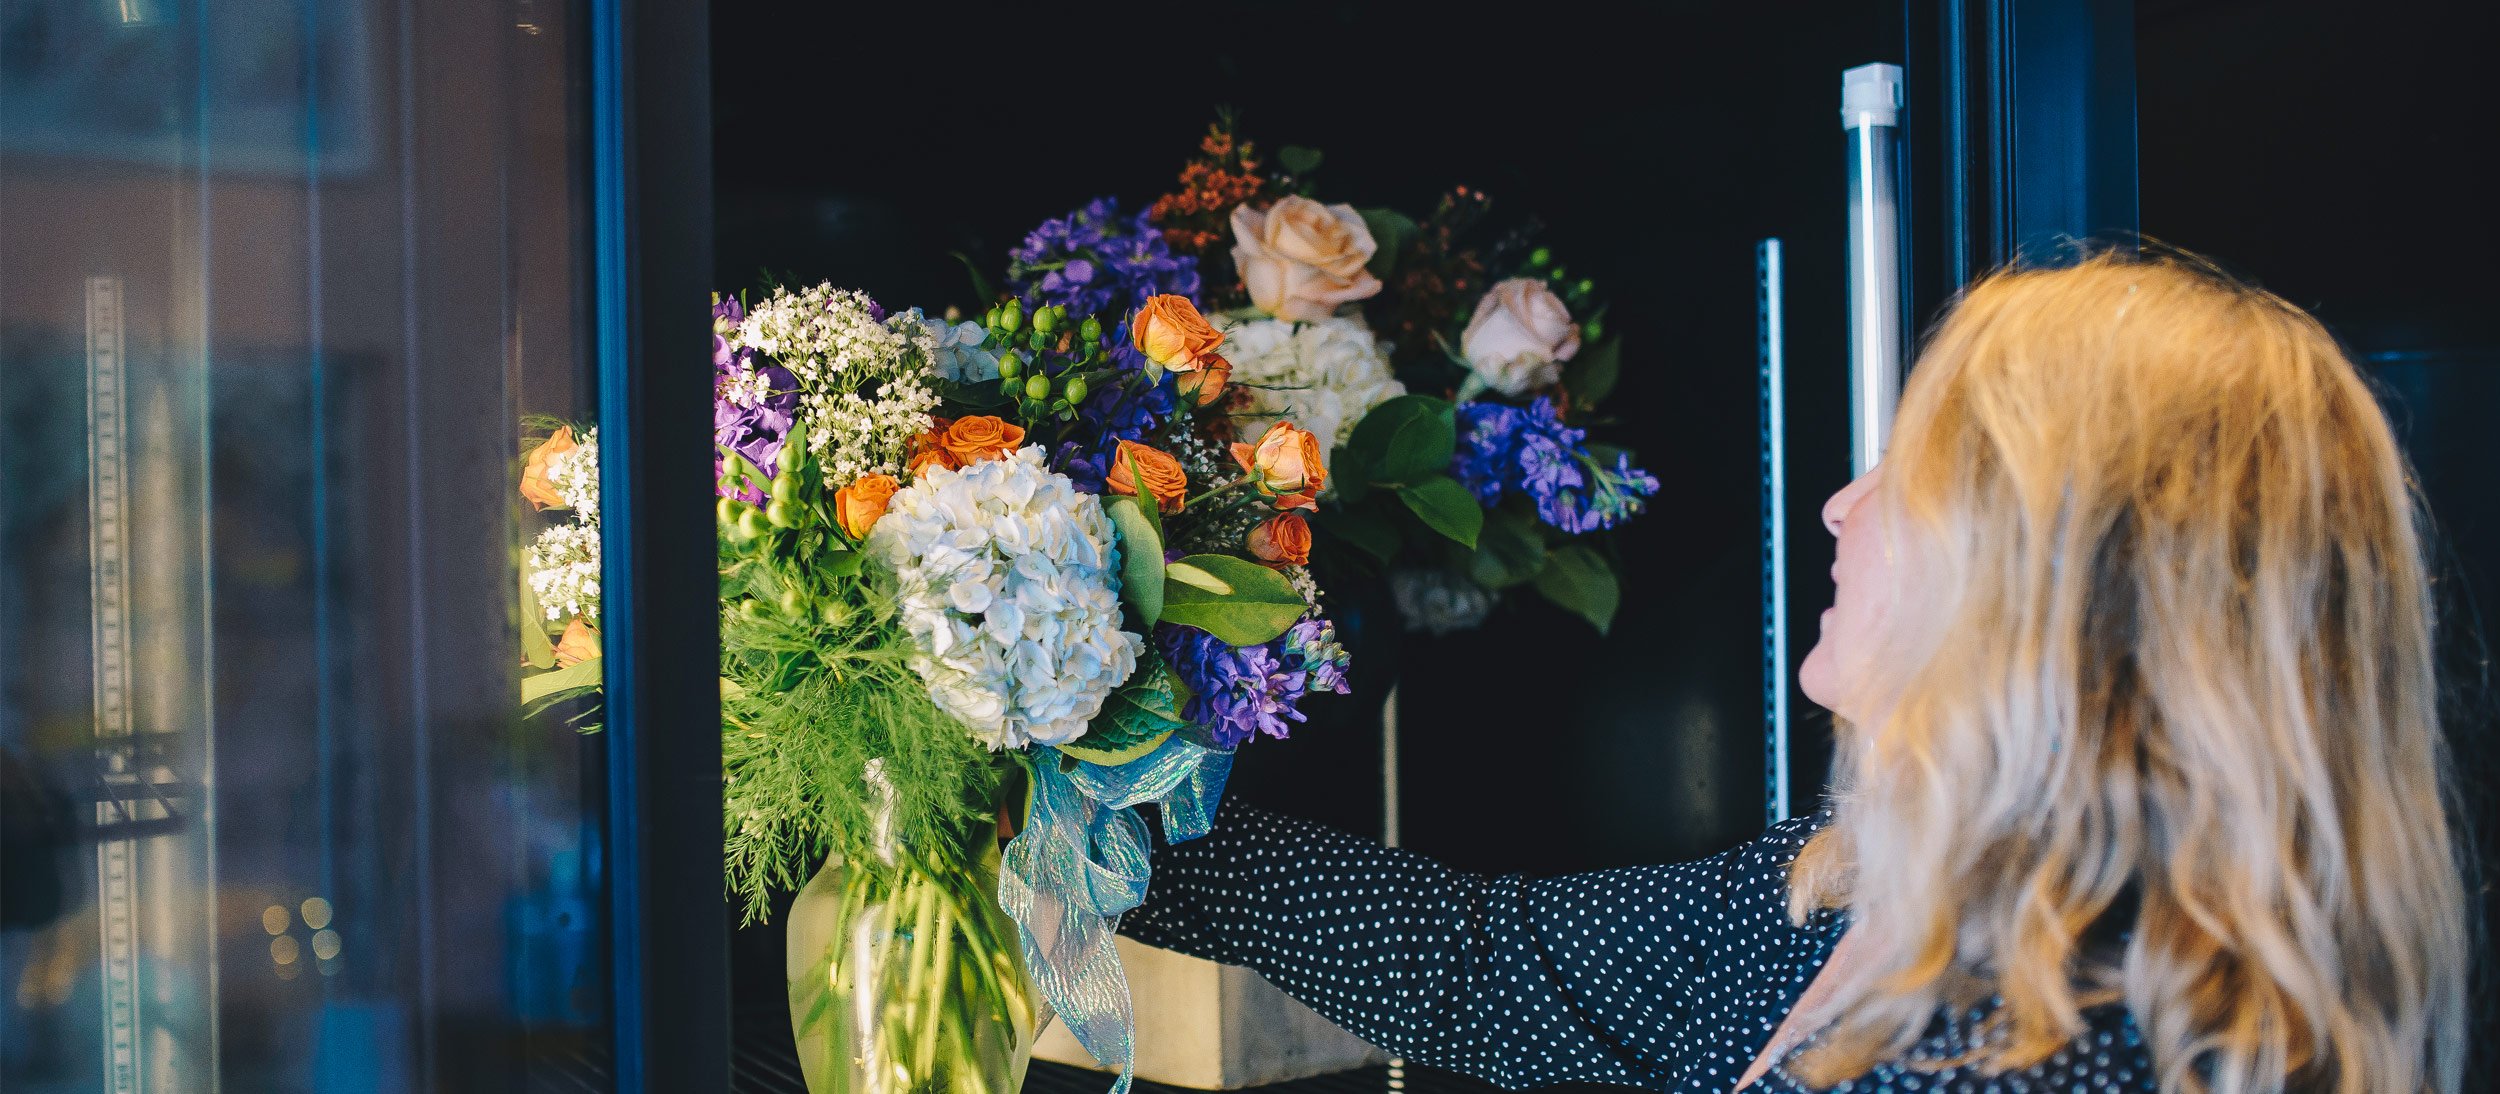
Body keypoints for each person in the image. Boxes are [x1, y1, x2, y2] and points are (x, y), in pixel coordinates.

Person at [1126, 250, 2469, 1094]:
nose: (1842, 503)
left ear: (2057, 575)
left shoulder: (2080, 1052)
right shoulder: (1864, 894)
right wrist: (1082, 810)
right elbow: (1484, 962)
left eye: (1916, 466)